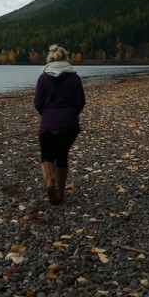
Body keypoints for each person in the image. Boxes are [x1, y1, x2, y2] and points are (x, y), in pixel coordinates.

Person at [34, 44, 85, 205]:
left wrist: (47, 115)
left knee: (47, 156)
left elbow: (38, 103)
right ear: (65, 59)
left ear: (49, 60)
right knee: (62, 156)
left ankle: (50, 181)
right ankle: (60, 191)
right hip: (69, 125)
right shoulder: (74, 78)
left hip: (48, 124)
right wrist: (71, 115)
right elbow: (80, 102)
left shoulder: (43, 78)